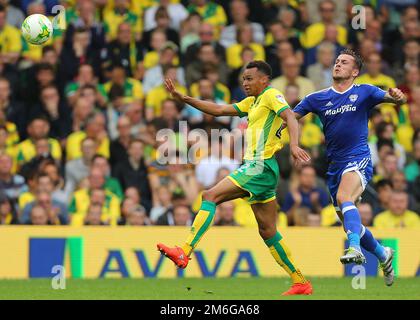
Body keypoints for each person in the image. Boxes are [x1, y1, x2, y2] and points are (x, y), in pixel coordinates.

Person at [158, 60, 313, 296]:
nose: (245, 83)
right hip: (261, 169)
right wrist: (185, 99)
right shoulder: (252, 103)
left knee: (209, 196)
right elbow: (219, 110)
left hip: (259, 166)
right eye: (243, 79)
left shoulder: (272, 94)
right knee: (268, 230)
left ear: (264, 79)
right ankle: (300, 281)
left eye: (250, 78)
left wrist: (294, 145)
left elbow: (291, 117)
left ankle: (185, 250)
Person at [291, 48, 406, 286]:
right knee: (350, 223)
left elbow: (397, 99)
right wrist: (278, 127)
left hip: (359, 157)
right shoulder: (317, 98)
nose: (338, 64)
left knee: (345, 197)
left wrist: (397, 96)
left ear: (355, 71)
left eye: (344, 62)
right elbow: (291, 116)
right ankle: (384, 254)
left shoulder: (364, 92)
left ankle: (354, 249)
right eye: (336, 61)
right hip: (335, 165)